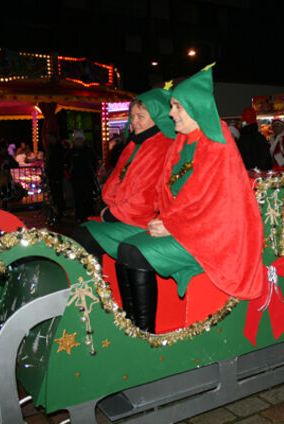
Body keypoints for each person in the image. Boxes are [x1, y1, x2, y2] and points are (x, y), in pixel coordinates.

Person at [111, 64, 266, 333]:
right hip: (185, 228)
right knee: (125, 249)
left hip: (214, 237)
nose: (171, 113)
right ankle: (132, 326)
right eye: (171, 106)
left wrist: (170, 224)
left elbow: (207, 201)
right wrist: (163, 219)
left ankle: (144, 332)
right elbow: (166, 192)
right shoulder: (181, 142)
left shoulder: (217, 143)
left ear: (195, 107)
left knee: (134, 252)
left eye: (177, 107)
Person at [72, 88, 177, 332]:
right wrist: (113, 207)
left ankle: (104, 310)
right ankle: (105, 308)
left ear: (158, 116)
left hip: (143, 220)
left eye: (141, 116)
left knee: (85, 238)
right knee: (82, 235)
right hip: (127, 214)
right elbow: (110, 188)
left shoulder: (160, 145)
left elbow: (145, 200)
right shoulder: (135, 144)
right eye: (133, 116)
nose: (134, 122)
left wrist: (111, 212)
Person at [67, 130, 97, 222]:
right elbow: (67, 164)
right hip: (76, 179)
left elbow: (93, 162)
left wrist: (93, 173)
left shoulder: (88, 151)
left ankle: (89, 215)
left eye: (81, 139)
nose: (79, 141)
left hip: (87, 178)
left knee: (88, 197)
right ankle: (79, 216)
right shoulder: (71, 152)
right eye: (77, 139)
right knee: (78, 198)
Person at [44, 132, 67, 219]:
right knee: (57, 192)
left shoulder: (56, 148)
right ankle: (59, 209)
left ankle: (60, 209)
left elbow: (56, 161)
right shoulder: (55, 148)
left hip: (55, 173)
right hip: (55, 173)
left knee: (57, 192)